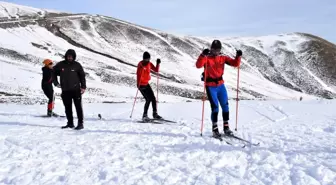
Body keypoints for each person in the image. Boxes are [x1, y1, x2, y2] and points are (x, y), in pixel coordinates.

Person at [196, 40, 242, 137]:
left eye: (218, 49)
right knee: (215, 107)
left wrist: (238, 57)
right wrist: (202, 55)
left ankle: (226, 128)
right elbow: (198, 65)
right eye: (214, 49)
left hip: (221, 85)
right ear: (211, 48)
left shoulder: (223, 57)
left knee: (225, 106)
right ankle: (215, 129)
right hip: (210, 86)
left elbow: (235, 64)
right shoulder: (207, 57)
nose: (216, 51)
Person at [53, 49, 86, 130]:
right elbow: (53, 72)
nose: (69, 58)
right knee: (68, 108)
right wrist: (56, 82)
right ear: (66, 56)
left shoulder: (77, 65)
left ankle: (80, 123)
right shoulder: (61, 65)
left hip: (76, 90)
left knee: (78, 107)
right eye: (68, 56)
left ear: (74, 57)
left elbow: (82, 76)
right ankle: (70, 123)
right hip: (65, 90)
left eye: (71, 56)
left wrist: (83, 87)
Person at [136, 51, 162, 121]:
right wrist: (142, 68)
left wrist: (158, 63)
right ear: (144, 58)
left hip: (146, 84)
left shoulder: (149, 63)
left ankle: (155, 114)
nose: (148, 60)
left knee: (153, 98)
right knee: (148, 99)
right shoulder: (140, 64)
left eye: (149, 59)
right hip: (141, 85)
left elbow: (156, 70)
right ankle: (144, 116)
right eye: (146, 59)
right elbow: (138, 73)